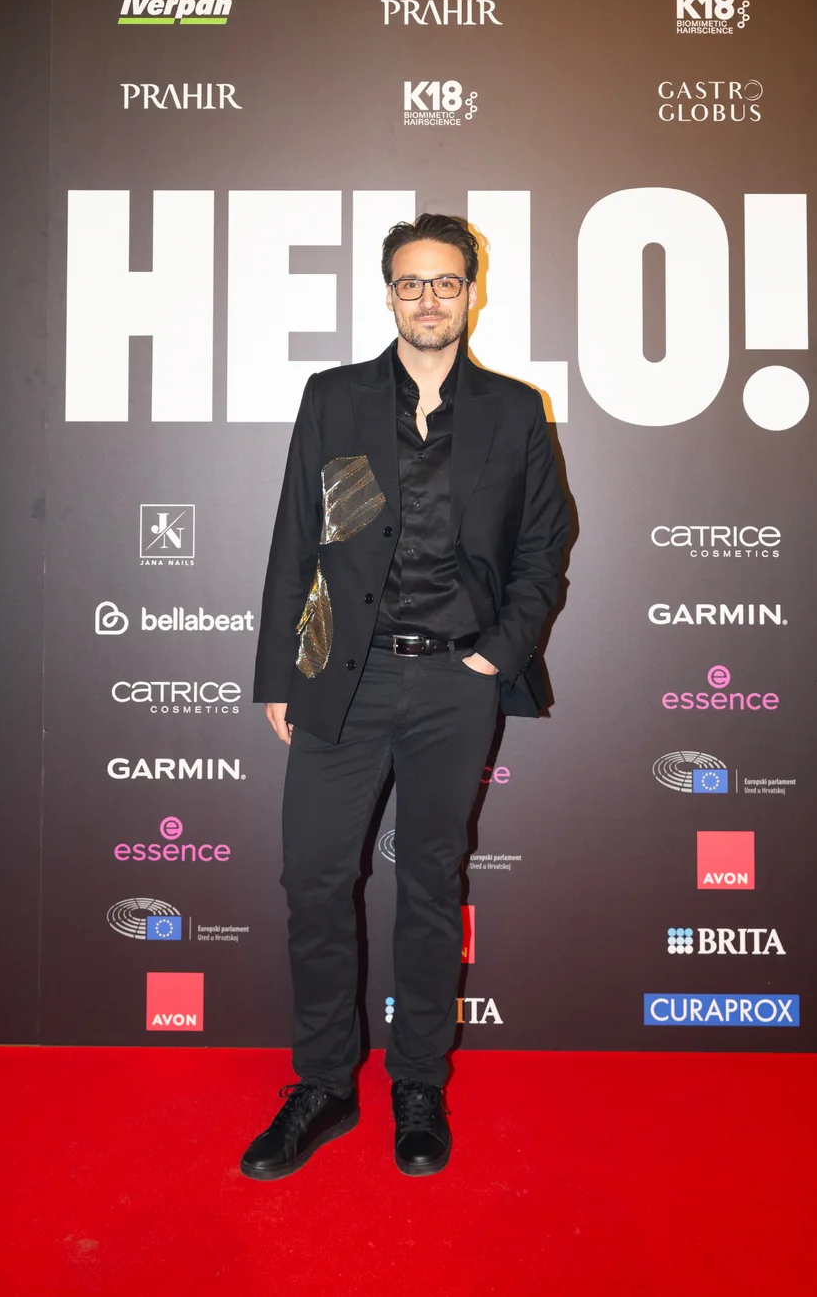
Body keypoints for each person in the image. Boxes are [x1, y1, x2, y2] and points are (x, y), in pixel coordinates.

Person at [243, 212, 569, 1180]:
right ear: (387, 293)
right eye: (410, 282)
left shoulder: (514, 410)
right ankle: (323, 1085)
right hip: (341, 678)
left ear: (472, 291)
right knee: (313, 881)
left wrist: (492, 658)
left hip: (453, 682)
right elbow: (296, 539)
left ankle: (417, 1083)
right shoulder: (334, 397)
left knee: (430, 886)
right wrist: (278, 676)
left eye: (445, 281)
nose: (428, 298)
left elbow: (542, 549)